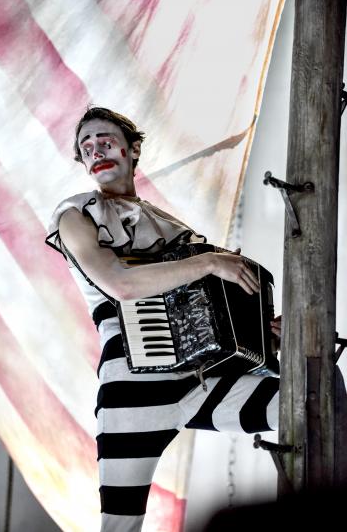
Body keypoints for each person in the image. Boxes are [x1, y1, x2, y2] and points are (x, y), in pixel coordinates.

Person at [45, 107, 281, 532]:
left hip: (196, 380)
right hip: (131, 390)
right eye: (87, 147)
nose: (96, 150)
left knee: (307, 401)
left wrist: (262, 335)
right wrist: (210, 262)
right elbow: (122, 284)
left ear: (133, 149)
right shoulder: (74, 216)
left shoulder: (171, 226)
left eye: (105, 140)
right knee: (121, 527)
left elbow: (205, 306)